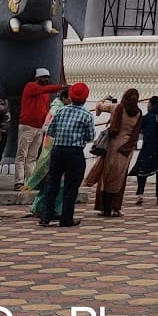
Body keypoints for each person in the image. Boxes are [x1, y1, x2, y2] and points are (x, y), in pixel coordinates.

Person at [39, 82, 95, 228]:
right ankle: (66, 219)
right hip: (74, 153)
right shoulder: (86, 115)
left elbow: (50, 131)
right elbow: (90, 137)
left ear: (70, 96)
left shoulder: (61, 111)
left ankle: (45, 217)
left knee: (52, 184)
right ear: (85, 98)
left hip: (58, 150)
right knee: (71, 186)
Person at [87, 89, 142, 218]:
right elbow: (137, 132)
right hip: (127, 148)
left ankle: (104, 208)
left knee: (106, 178)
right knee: (120, 178)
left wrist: (103, 99)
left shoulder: (117, 107)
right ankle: (115, 208)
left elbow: (99, 107)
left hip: (112, 145)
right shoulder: (138, 113)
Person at [15, 68, 65, 187]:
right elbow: (45, 89)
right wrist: (62, 87)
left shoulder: (44, 92)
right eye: (44, 77)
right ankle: (19, 181)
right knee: (22, 155)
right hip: (27, 126)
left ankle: (30, 182)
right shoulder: (31, 86)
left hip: (39, 127)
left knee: (32, 156)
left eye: (47, 77)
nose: (46, 79)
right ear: (37, 78)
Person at [26, 91, 69, 220]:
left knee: (51, 182)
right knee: (56, 183)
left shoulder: (59, 108)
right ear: (64, 98)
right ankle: (50, 209)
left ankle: (43, 208)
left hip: (53, 149)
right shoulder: (57, 109)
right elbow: (49, 128)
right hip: (54, 149)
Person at [130, 96, 158, 205]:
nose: (147, 105)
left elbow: (138, 130)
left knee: (142, 171)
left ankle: (140, 194)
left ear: (152, 105)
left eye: (149, 103)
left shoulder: (147, 117)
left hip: (148, 148)